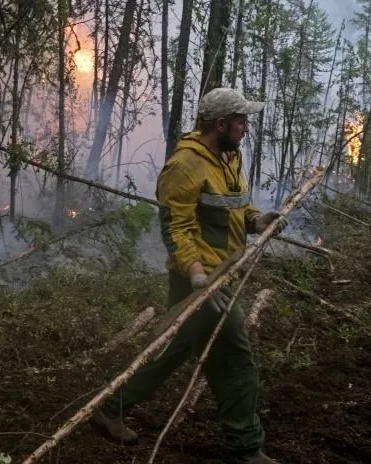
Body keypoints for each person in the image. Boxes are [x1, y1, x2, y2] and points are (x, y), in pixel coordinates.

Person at [91, 88, 287, 464]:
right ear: (221, 123)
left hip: (220, 274)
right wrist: (198, 277)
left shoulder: (229, 157)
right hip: (199, 280)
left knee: (173, 347)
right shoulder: (184, 166)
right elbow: (175, 229)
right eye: (241, 120)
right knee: (235, 359)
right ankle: (246, 448)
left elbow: (237, 207)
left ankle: (109, 407)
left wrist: (257, 221)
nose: (246, 128)